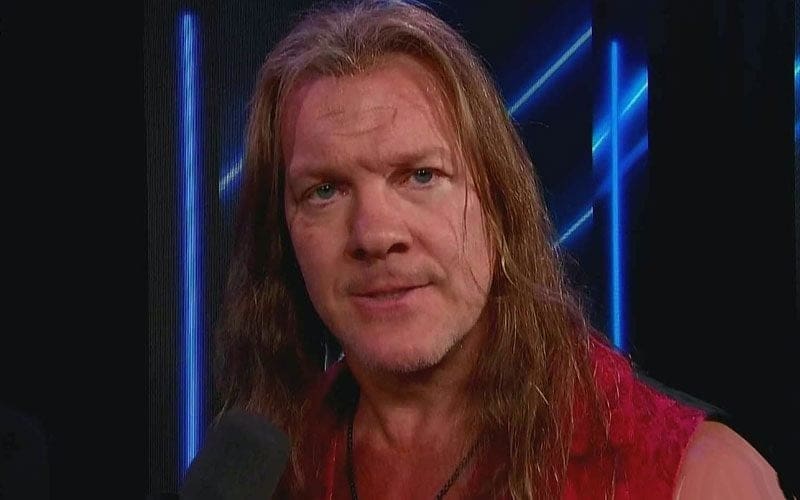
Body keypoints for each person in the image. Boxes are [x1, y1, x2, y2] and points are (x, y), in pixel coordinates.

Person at [213, 1, 786, 498]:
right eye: (325, 191)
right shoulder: (269, 471)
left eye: (421, 176)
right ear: (282, 231)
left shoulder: (696, 475)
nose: (375, 235)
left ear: (498, 203)